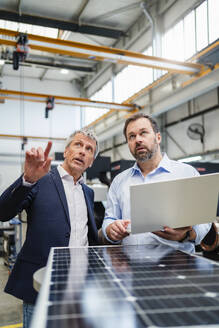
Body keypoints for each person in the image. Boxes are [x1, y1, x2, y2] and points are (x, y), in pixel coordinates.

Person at [0, 128, 99, 328]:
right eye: (78, 145)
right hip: (42, 283)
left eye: (89, 149)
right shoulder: (40, 179)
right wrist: (27, 179)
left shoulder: (88, 192)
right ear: (67, 150)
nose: (82, 151)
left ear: (91, 161)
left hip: (79, 285)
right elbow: (2, 213)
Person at [102, 113, 211, 253]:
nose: (138, 140)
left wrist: (187, 235)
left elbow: (203, 219)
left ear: (158, 137)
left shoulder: (187, 173)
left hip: (177, 265)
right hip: (130, 268)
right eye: (132, 136)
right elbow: (110, 218)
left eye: (143, 133)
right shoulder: (119, 181)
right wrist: (111, 230)